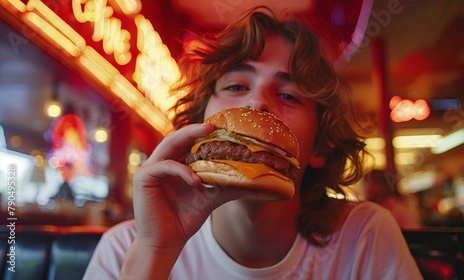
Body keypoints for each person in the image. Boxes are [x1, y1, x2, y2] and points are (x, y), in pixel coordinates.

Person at [84, 7, 422, 279]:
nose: (256, 102)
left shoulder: (364, 237)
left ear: (319, 147)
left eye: (288, 94)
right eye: (234, 87)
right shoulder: (126, 246)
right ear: (198, 123)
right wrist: (155, 251)